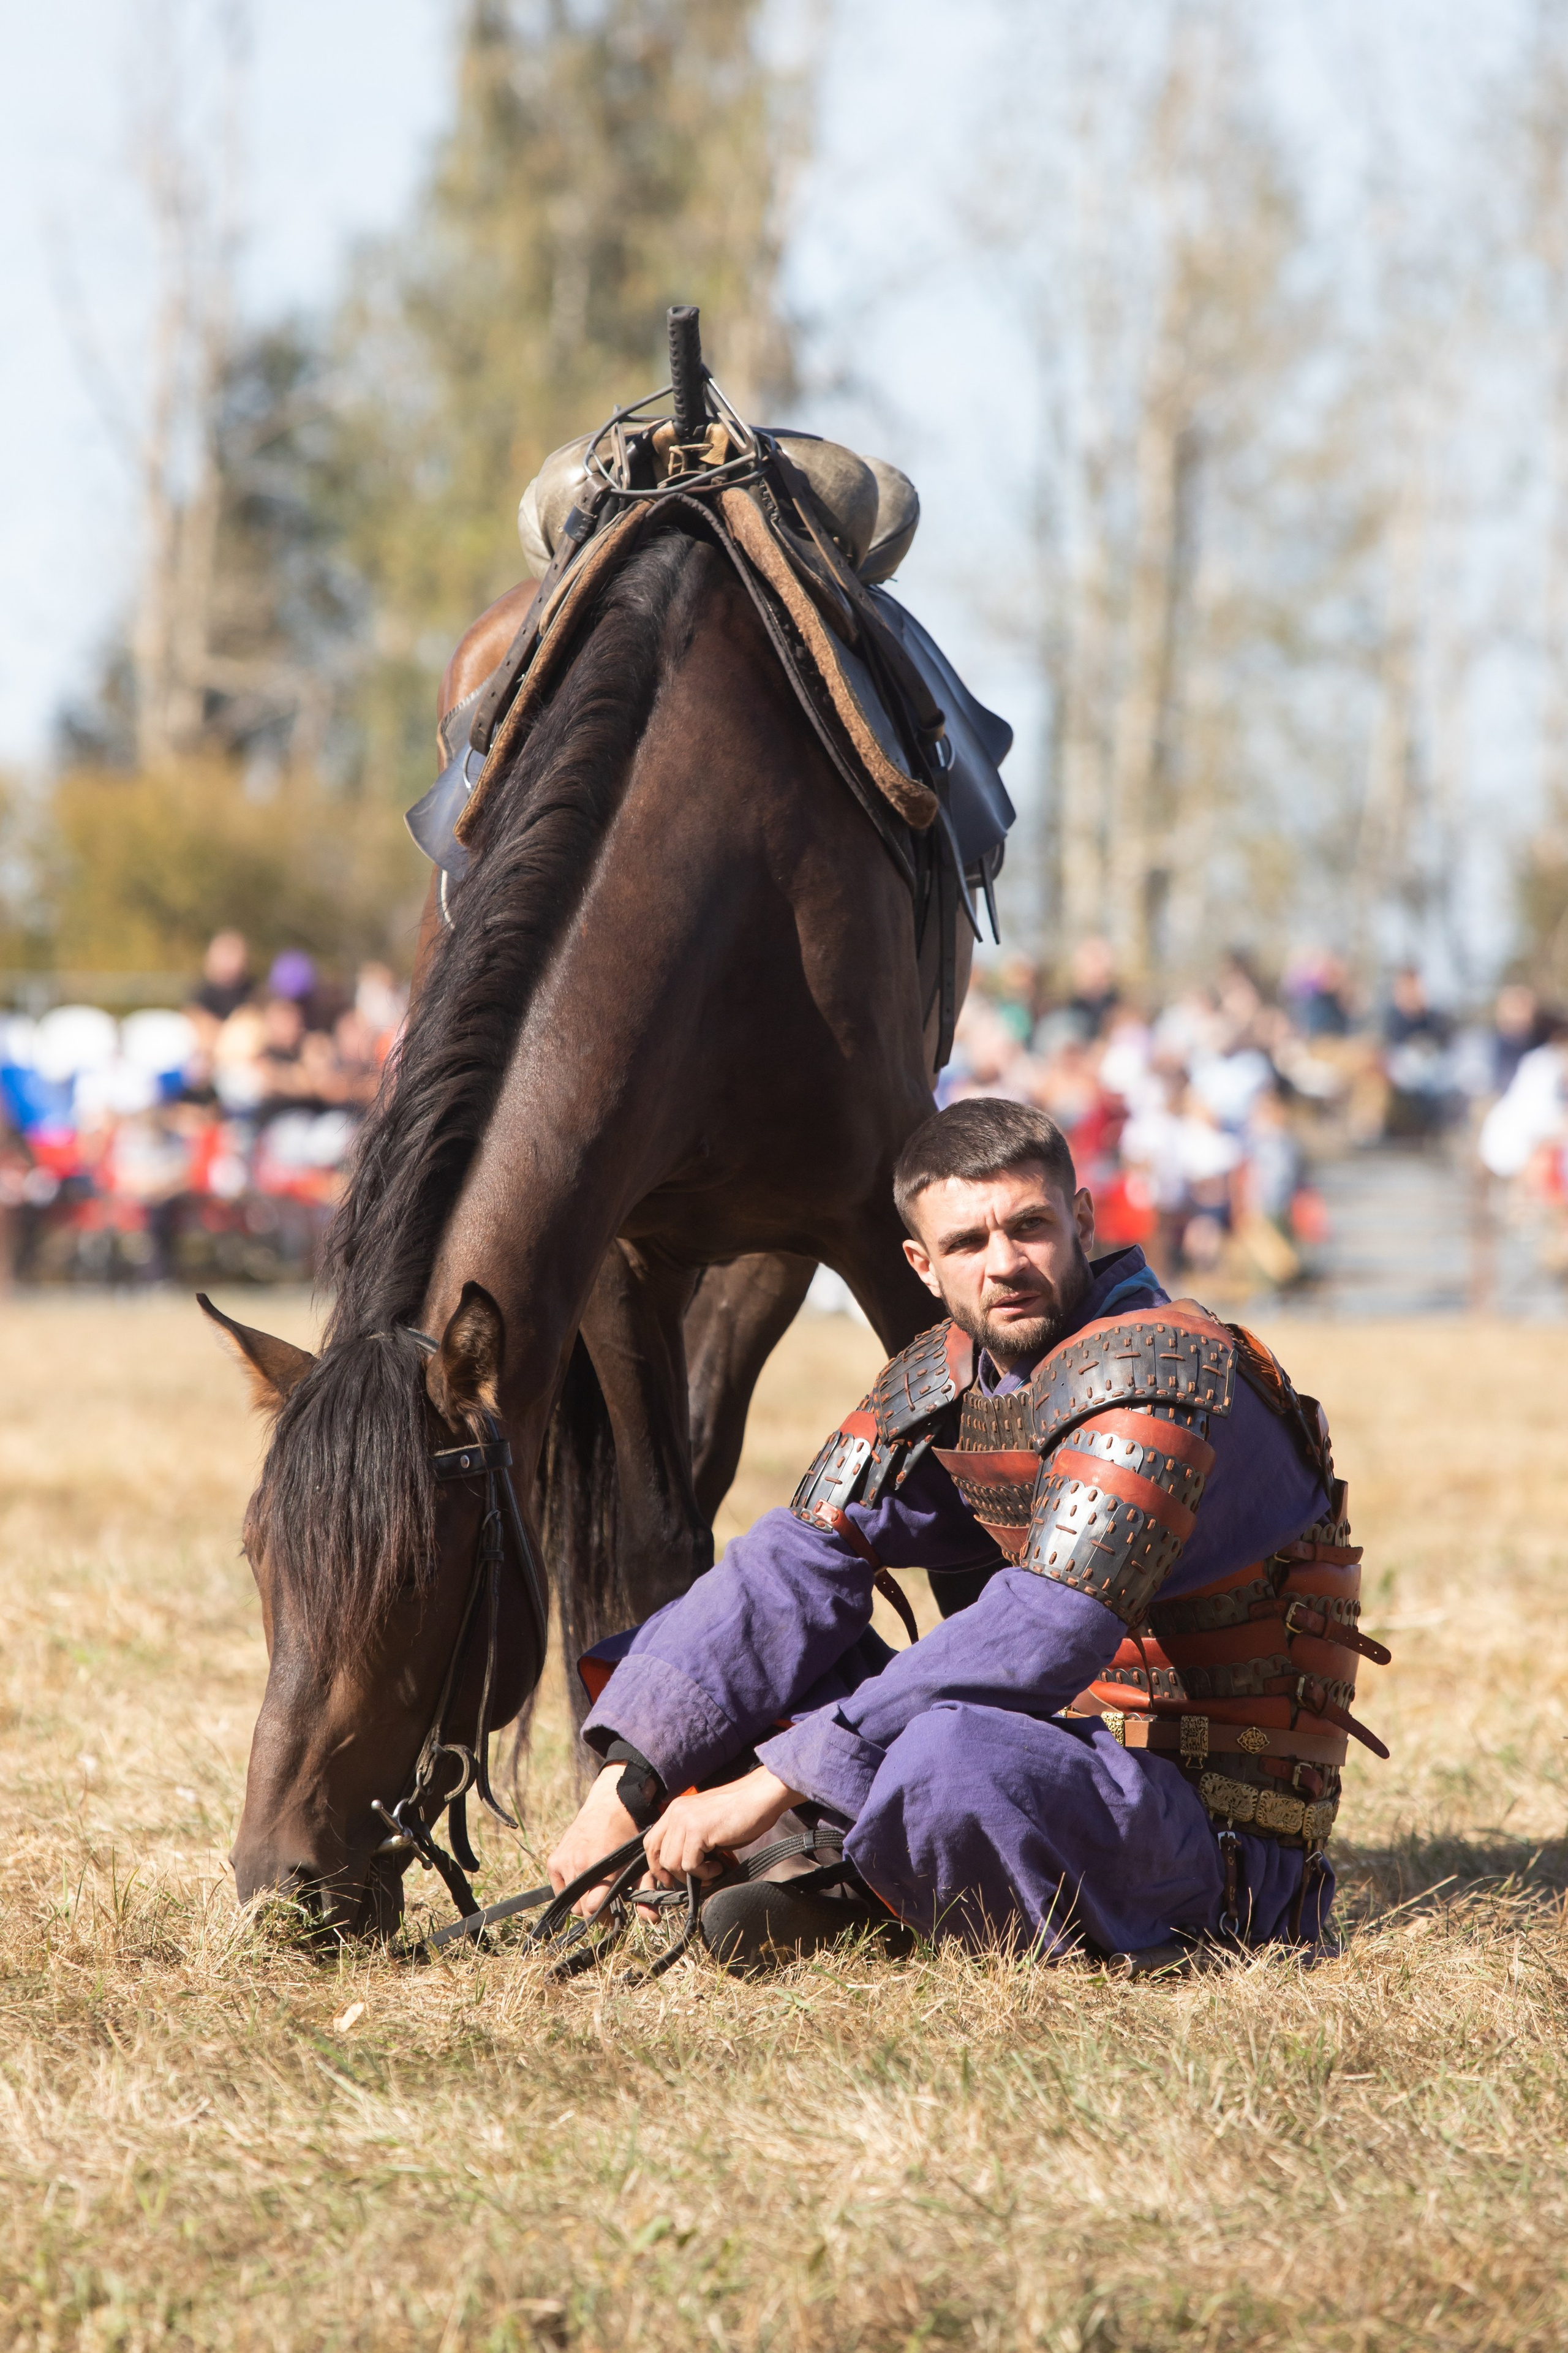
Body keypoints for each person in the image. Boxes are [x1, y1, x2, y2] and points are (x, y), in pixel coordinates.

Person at [548, 1100, 1385, 1972]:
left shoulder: (1160, 1371)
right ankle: (844, 1875)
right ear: (921, 1263)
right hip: (1062, 1764)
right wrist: (630, 1781)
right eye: (967, 1244)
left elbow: (1048, 1625)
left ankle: (845, 1881)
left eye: (1030, 1227)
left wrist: (775, 1779)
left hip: (1212, 1834)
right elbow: (790, 1567)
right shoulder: (953, 1376)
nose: (1006, 1264)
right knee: (757, 1658)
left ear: (1083, 1220)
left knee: (946, 1752)